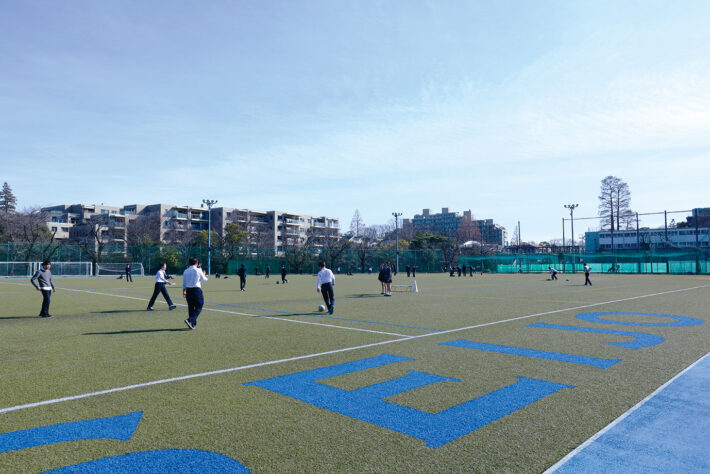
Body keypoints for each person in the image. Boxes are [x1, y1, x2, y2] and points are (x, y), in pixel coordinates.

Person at [182, 257, 208, 329]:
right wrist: (204, 274)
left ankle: (192, 324)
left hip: (188, 291)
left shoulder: (185, 271)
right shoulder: (198, 270)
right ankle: (190, 320)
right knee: (199, 305)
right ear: (196, 263)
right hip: (196, 290)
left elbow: (184, 283)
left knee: (191, 307)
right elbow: (204, 279)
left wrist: (184, 291)